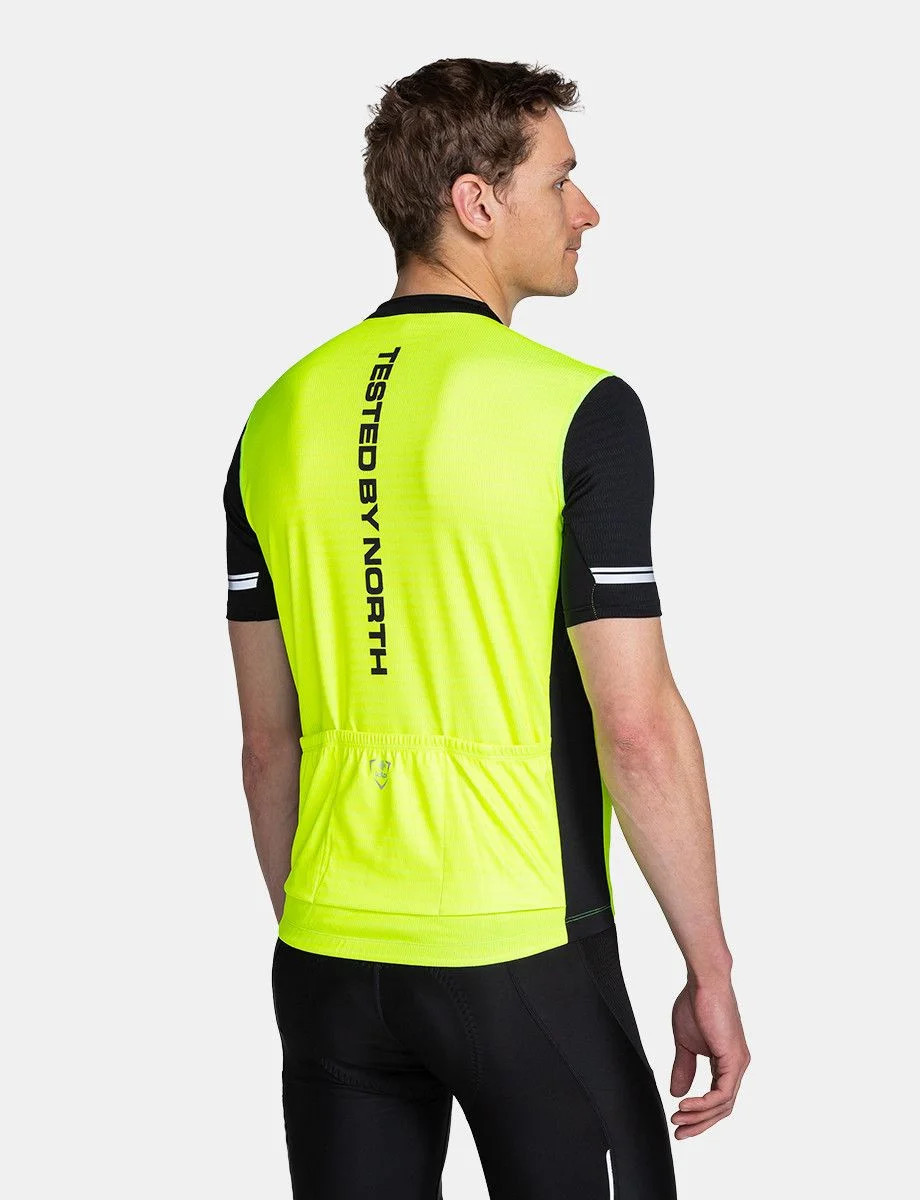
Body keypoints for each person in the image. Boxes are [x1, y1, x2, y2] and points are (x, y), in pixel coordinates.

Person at [223, 56, 749, 1200]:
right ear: (476, 203)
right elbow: (638, 728)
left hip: (328, 962)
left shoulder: (275, 417)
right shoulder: (579, 411)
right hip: (524, 957)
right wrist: (709, 965)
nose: (585, 209)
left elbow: (269, 745)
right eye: (560, 180)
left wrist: (329, 932)